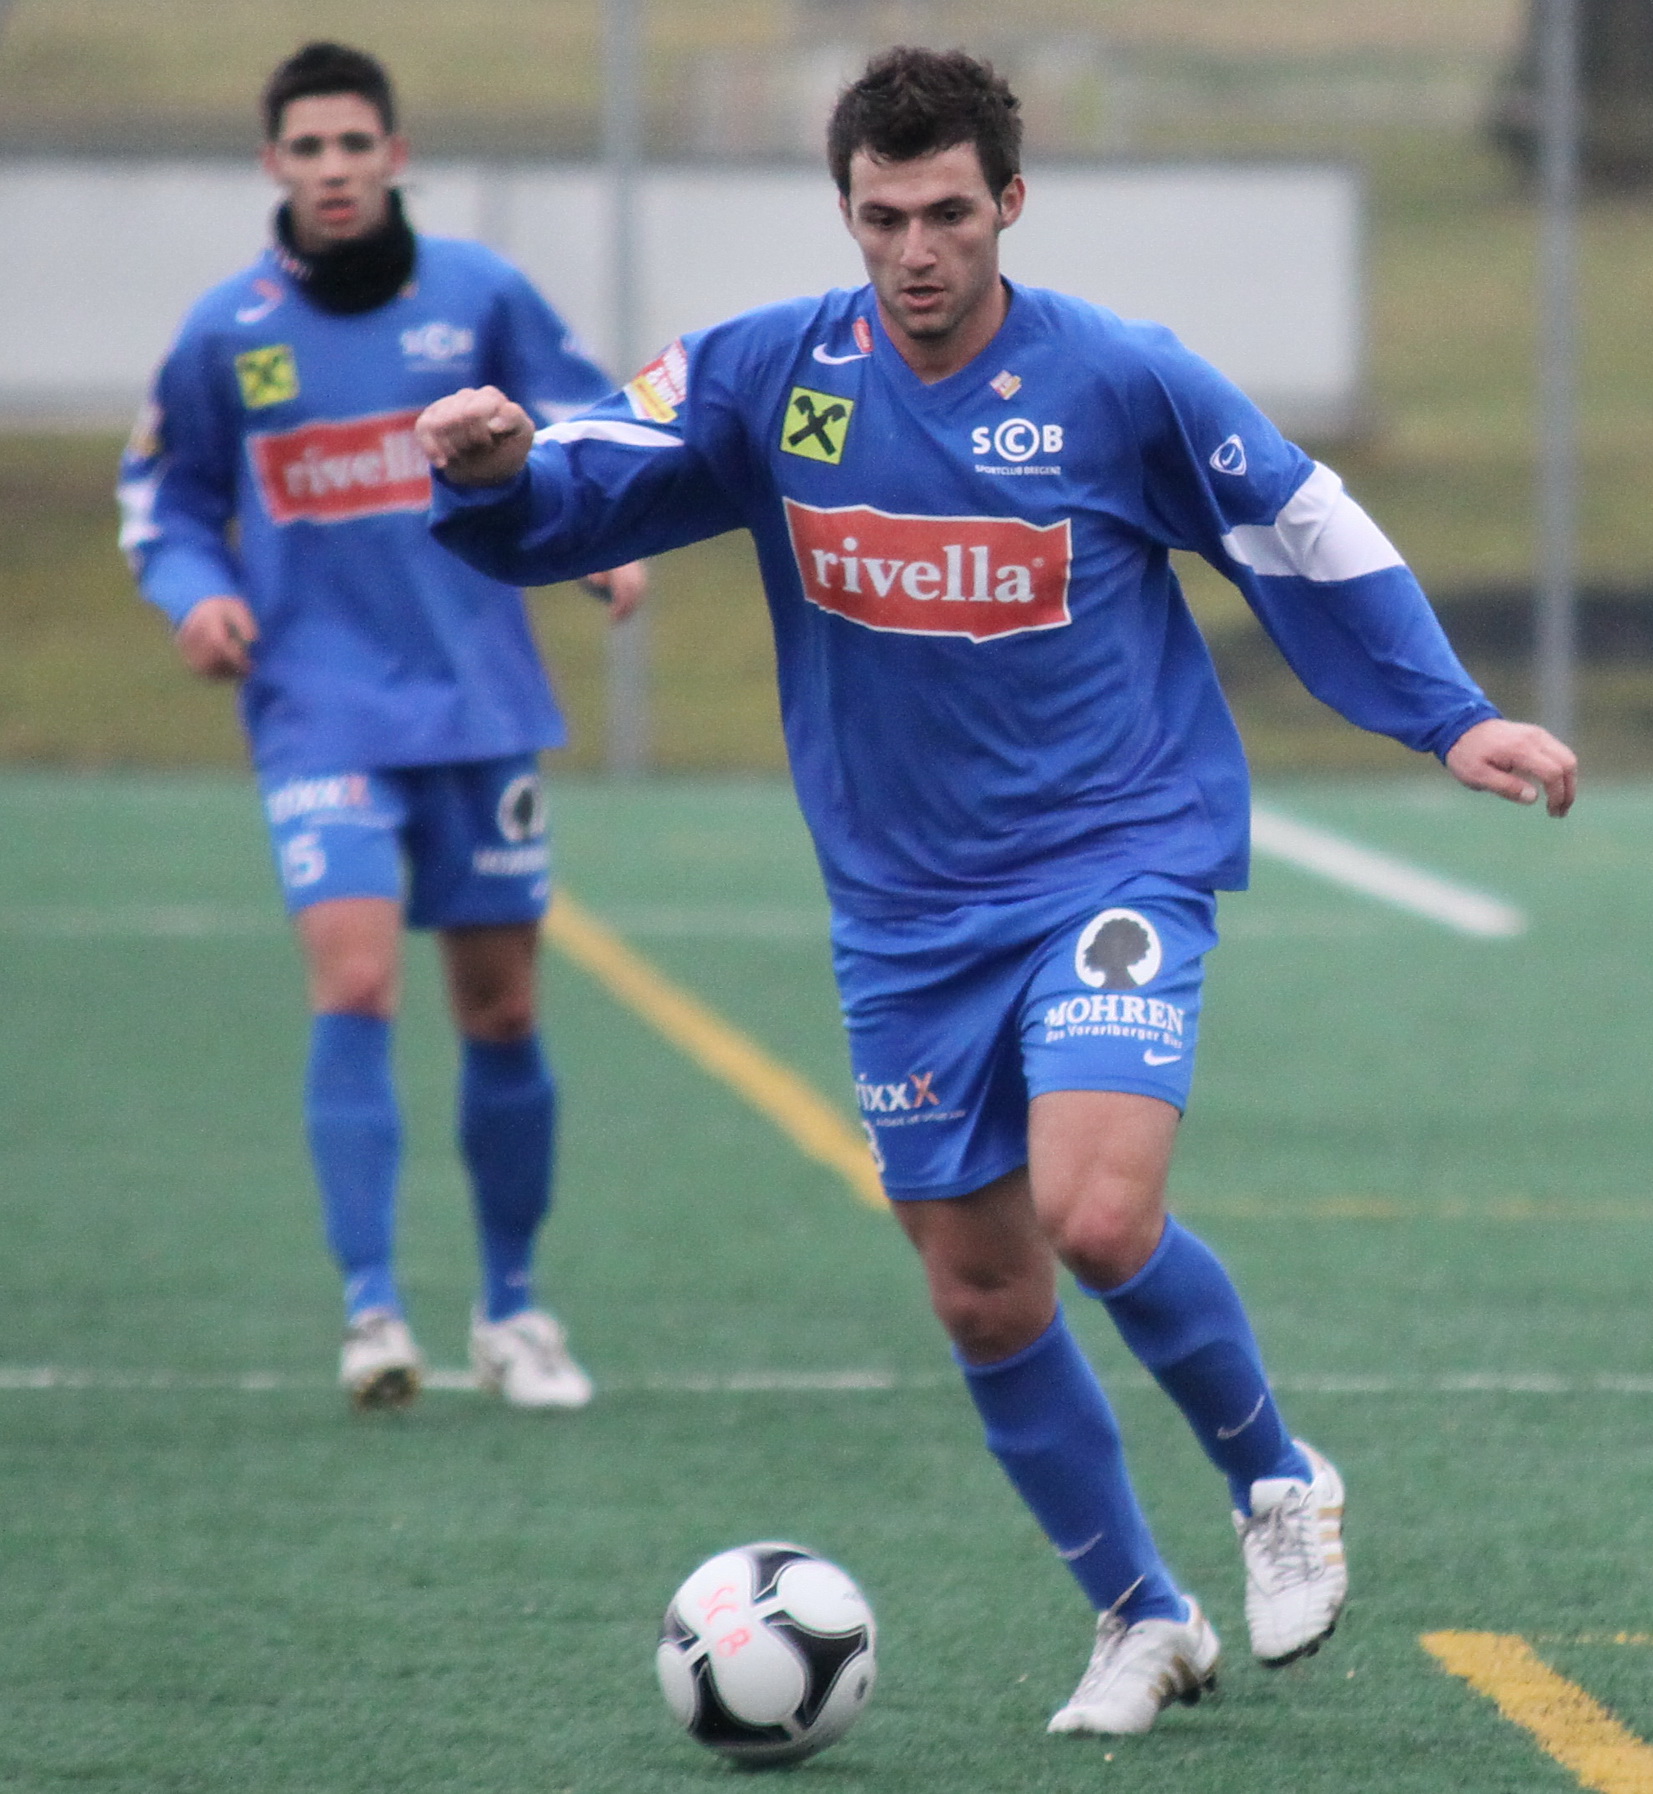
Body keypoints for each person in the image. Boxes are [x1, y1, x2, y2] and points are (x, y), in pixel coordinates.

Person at [415, 48, 1577, 1738]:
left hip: (1115, 849)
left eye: (949, 212)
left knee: (1094, 1215)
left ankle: (1275, 1475)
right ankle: (1141, 1611)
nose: (917, 249)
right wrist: (489, 472)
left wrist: (1449, 712)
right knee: (980, 1287)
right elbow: (588, 472)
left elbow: (1302, 525)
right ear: (846, 212)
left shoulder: (1120, 378)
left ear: (1010, 203)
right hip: (901, 909)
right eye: (883, 216)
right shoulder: (767, 373)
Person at [118, 42, 645, 1413]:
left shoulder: (480, 295)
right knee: (354, 984)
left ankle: (513, 1310)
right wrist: (195, 593)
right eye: (309, 148)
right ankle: (371, 1311)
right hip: (320, 713)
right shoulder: (226, 333)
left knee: (504, 1007)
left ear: (395, 155)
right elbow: (164, 496)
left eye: (355, 143)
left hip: (478, 705)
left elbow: (581, 422)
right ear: (273, 165)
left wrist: (601, 537)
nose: (334, 168)